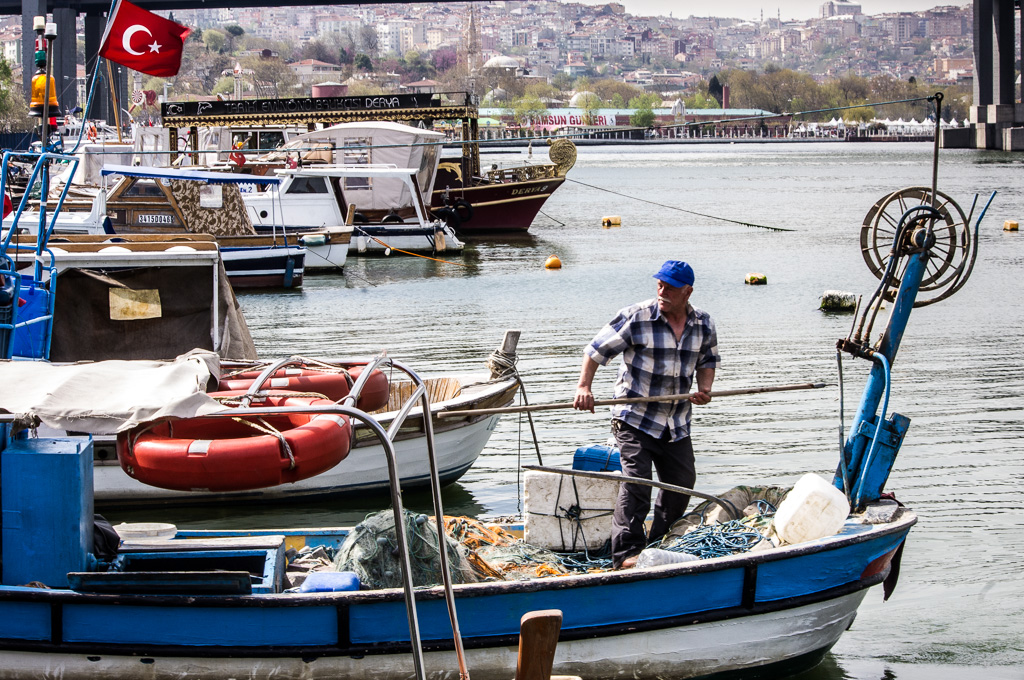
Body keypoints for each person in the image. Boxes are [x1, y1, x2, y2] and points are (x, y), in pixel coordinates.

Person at [573, 260, 720, 569]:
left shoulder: (703, 323)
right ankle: (625, 555)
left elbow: (708, 358)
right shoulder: (636, 317)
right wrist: (584, 387)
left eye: (670, 287)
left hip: (676, 421)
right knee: (637, 482)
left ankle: (659, 543)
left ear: (688, 291)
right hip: (634, 417)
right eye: (660, 284)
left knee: (681, 483)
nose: (662, 290)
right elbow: (595, 350)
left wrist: (704, 388)